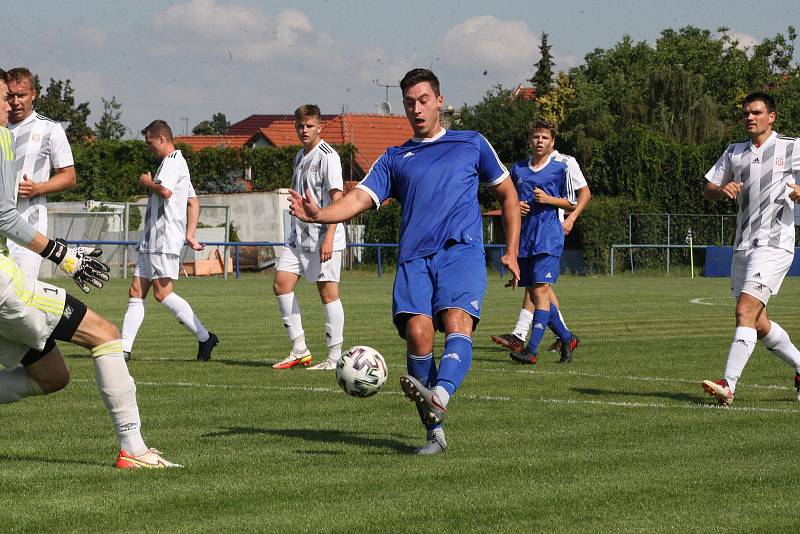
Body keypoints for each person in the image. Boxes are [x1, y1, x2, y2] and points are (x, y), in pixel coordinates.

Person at [289, 68, 520, 455]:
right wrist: (320, 215)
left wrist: (511, 250)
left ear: (439, 101)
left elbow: (508, 195)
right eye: (409, 103)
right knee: (418, 335)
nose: (416, 109)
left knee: (457, 322)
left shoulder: (472, 143)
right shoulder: (395, 158)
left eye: (423, 100)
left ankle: (441, 395)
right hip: (414, 258)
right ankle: (434, 433)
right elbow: (357, 199)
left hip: (460, 250)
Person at [0, 69, 180, 468]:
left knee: (53, 376)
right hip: (5, 278)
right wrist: (65, 256)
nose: (8, 105)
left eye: (14, 96)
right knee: (105, 334)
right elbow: (5, 217)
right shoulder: (0, 138)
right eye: (2, 98)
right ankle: (134, 451)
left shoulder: (40, 132)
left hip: (16, 262)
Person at [702, 92, 800, 406]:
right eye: (746, 113)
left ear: (771, 116)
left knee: (744, 310)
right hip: (743, 244)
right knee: (757, 323)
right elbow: (708, 190)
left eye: (756, 112)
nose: (749, 118)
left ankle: (727, 385)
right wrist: (721, 188)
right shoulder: (734, 152)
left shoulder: (791, 146)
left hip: (775, 243)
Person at [491, 124, 591, 363]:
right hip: (526, 237)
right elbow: (511, 200)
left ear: (552, 142)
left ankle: (531, 349)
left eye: (544, 137)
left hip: (548, 237)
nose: (539, 141)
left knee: (539, 291)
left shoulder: (560, 167)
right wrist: (518, 206)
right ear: (529, 140)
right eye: (535, 136)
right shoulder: (518, 169)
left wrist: (549, 200)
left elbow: (572, 202)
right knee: (537, 294)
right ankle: (567, 338)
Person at [120, 120, 218, 362]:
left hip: (163, 240)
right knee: (136, 291)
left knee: (162, 294)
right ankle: (123, 350)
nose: (149, 147)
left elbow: (165, 192)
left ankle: (205, 337)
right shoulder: (173, 164)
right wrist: (190, 235)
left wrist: (147, 182)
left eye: (150, 142)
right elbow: (193, 201)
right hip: (151, 239)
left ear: (162, 139)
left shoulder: (173, 162)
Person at [272, 105, 346, 371]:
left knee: (328, 294)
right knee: (281, 284)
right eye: (300, 126)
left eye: (309, 126)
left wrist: (329, 237)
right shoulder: (299, 156)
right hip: (299, 238)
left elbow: (338, 199)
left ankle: (335, 357)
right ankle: (299, 350)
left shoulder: (328, 157)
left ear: (319, 127)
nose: (304, 130)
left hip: (324, 236)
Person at [5, 67, 77, 278]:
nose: (16, 101)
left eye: (22, 95)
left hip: (31, 226)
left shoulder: (50, 129)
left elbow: (69, 176)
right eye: (11, 95)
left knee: (24, 296)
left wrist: (38, 188)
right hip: (2, 226)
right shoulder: (1, 128)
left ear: (34, 95)